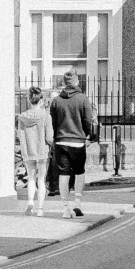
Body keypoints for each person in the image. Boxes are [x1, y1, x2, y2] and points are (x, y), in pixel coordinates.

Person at [48, 72, 97, 218]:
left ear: (64, 83)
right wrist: (86, 134)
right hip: (77, 141)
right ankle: (77, 202)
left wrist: (56, 136)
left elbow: (53, 122)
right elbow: (88, 120)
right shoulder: (83, 99)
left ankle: (65, 208)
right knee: (79, 172)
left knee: (63, 174)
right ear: (76, 82)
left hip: (61, 141)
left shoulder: (56, 101)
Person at [14, 87, 53, 217]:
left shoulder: (21, 117)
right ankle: (40, 209)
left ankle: (30, 202)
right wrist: (53, 146)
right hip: (42, 151)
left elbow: (19, 134)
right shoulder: (46, 116)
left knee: (31, 178)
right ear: (41, 100)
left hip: (28, 151)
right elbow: (49, 137)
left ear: (29, 101)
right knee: (41, 180)